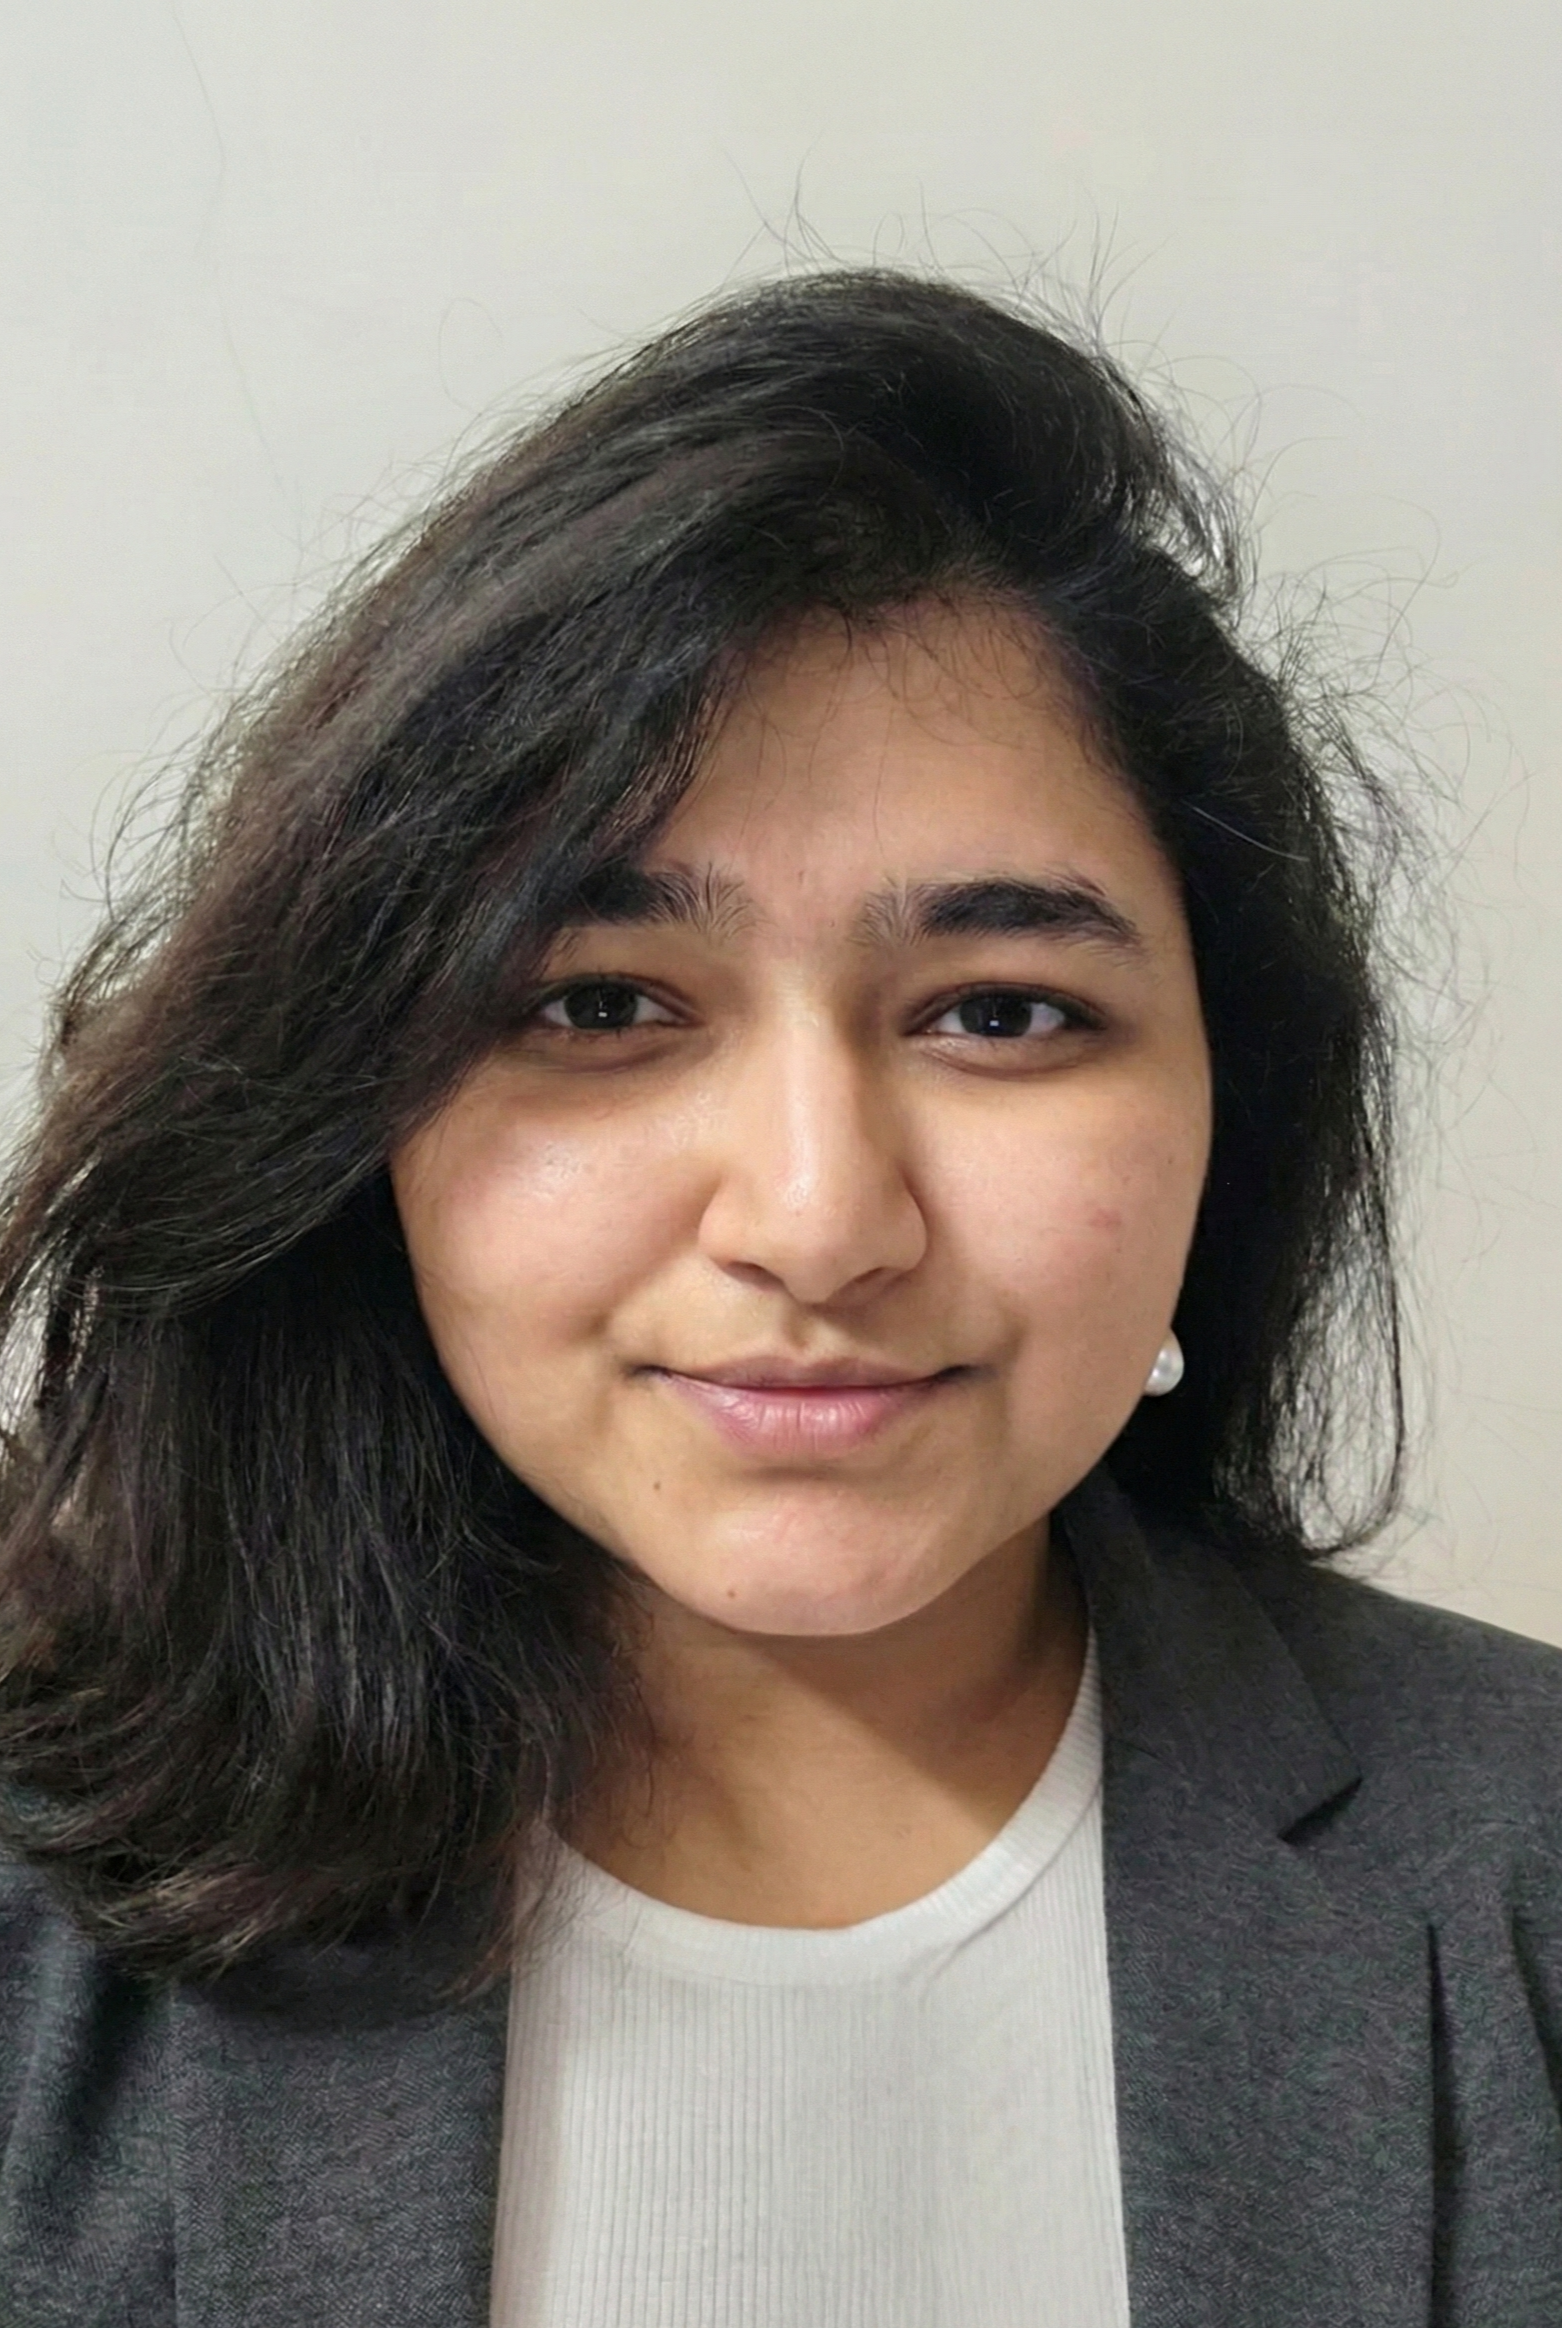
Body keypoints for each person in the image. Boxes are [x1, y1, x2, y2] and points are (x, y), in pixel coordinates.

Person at [0, 267, 1558, 2328]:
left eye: (1000, 1012)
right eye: (602, 1004)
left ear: (1226, 1114)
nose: (819, 1224)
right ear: (356, 1106)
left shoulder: (1518, 1863)